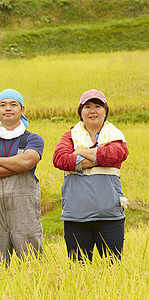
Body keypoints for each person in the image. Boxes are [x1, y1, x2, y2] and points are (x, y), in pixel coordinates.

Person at [53, 89, 128, 262]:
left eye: (97, 106)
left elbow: (116, 154)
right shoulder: (70, 136)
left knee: (113, 270)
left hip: (109, 216)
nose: (92, 110)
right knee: (79, 271)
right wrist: (99, 157)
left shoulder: (116, 136)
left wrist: (80, 153)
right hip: (76, 216)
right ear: (81, 112)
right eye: (87, 106)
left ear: (105, 111)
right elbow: (60, 159)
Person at [0, 88, 44, 264]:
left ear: (22, 109)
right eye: (3, 105)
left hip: (24, 211)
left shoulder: (33, 139)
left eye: (13, 104)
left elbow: (27, 162)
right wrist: (17, 166)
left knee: (31, 261)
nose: (8, 108)